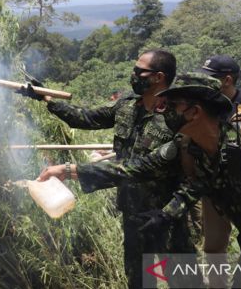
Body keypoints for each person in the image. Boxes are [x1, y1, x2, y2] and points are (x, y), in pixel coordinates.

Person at [39, 72, 241, 256]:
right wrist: (69, 170)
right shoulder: (188, 147)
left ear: (194, 112)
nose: (163, 112)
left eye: (171, 106)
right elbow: (138, 168)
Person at [19, 49, 196, 289]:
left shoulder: (177, 117)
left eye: (139, 71)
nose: (133, 75)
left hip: (166, 216)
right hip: (133, 212)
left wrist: (70, 170)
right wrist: (46, 99)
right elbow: (85, 118)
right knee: (139, 280)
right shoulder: (127, 106)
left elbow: (140, 168)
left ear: (158, 77)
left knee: (183, 281)